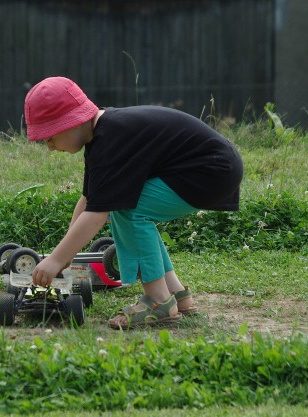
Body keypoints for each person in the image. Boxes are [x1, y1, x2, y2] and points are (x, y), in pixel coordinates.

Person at [24, 76, 243, 329]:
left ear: (72, 121)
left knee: (127, 206)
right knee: (123, 201)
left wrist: (55, 260)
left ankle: (158, 301)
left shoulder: (111, 137)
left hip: (210, 170)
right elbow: (89, 200)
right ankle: (176, 294)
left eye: (50, 136)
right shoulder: (103, 136)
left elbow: (97, 213)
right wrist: (63, 255)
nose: (49, 146)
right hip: (217, 167)